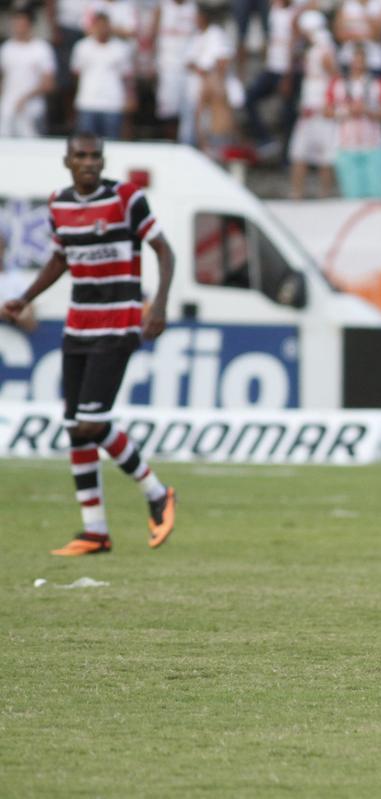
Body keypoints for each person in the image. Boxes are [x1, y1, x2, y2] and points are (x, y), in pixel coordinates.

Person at [1, 133, 177, 557]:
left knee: (91, 423)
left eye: (95, 156)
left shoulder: (126, 198)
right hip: (77, 326)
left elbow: (164, 251)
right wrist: (26, 297)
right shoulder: (59, 204)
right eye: (81, 156)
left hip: (117, 324)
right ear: (67, 161)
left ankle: (157, 492)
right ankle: (94, 530)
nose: (89, 162)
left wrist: (159, 306)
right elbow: (61, 259)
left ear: (102, 160)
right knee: (75, 429)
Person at [327, 43, 381, 199]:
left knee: (377, 195)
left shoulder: (378, 84)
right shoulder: (338, 84)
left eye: (361, 60)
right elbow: (327, 111)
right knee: (351, 195)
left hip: (373, 144)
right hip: (347, 145)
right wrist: (347, 111)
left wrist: (367, 110)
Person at [289, 9, 337, 198]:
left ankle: (323, 194)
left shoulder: (324, 47)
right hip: (308, 107)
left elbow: (334, 77)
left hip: (321, 109)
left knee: (325, 154)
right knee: (298, 153)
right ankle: (296, 194)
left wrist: (329, 102)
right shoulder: (315, 47)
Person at [242, 0, 299, 157]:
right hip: (271, 68)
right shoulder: (273, 10)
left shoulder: (294, 14)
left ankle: (286, 156)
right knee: (249, 99)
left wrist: (288, 75)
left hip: (285, 71)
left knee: (288, 113)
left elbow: (294, 46)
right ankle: (265, 139)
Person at [183, 4, 241, 153]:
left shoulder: (217, 35)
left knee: (216, 137)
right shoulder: (196, 36)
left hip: (214, 97)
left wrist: (208, 76)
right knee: (194, 133)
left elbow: (223, 62)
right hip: (197, 93)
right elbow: (188, 63)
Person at [70, 11, 134, 139]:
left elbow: (127, 77)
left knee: (112, 144)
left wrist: (130, 99)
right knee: (86, 144)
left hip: (113, 104)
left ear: (109, 27)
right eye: (98, 25)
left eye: (104, 25)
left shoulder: (121, 48)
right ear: (93, 27)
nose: (102, 29)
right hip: (87, 102)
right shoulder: (82, 47)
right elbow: (76, 74)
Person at [0, 7, 57, 138]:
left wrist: (25, 98)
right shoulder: (6, 48)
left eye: (22, 23)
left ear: (30, 24)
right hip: (7, 110)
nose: (18, 27)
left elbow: (49, 83)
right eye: (16, 23)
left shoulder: (41, 49)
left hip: (33, 110)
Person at [151, 0, 198, 140]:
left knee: (189, 110)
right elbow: (153, 36)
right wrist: (153, 62)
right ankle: (170, 144)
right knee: (168, 111)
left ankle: (187, 143)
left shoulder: (193, 8)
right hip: (167, 67)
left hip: (189, 68)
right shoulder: (162, 7)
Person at [334, 0, 381, 79]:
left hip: (374, 61)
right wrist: (364, 34)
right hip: (348, 59)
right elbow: (339, 34)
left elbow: (380, 35)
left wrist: (364, 15)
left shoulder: (380, 5)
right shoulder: (347, 5)